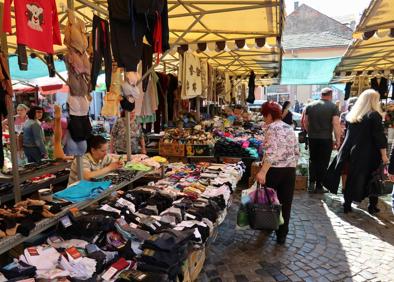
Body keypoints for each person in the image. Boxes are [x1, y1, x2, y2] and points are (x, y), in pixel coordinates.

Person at [327, 89, 388, 214]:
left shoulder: (353, 116)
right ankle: (372, 205)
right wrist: (384, 155)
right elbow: (379, 137)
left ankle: (347, 204)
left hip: (352, 152)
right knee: (373, 179)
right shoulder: (374, 115)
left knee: (353, 179)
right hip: (370, 153)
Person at [255, 101, 299, 244]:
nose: (263, 119)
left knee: (269, 200)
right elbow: (296, 151)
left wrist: (262, 172)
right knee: (286, 203)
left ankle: (268, 225)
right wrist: (292, 165)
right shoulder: (289, 128)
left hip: (274, 170)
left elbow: (271, 153)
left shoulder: (271, 128)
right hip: (289, 170)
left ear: (269, 115)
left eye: (264, 115)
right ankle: (282, 234)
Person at [303, 88, 341, 193]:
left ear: (321, 94)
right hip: (326, 138)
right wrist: (338, 140)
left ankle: (311, 184)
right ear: (331, 95)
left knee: (313, 160)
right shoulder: (333, 107)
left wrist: (310, 132)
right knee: (323, 162)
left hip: (312, 138)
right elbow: (336, 124)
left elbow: (305, 122)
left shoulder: (310, 106)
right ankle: (319, 185)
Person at [339, 97, 358, 191]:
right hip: (356, 144)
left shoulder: (344, 115)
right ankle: (351, 187)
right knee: (353, 166)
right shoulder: (360, 115)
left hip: (345, 143)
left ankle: (344, 187)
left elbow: (341, 129)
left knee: (345, 167)